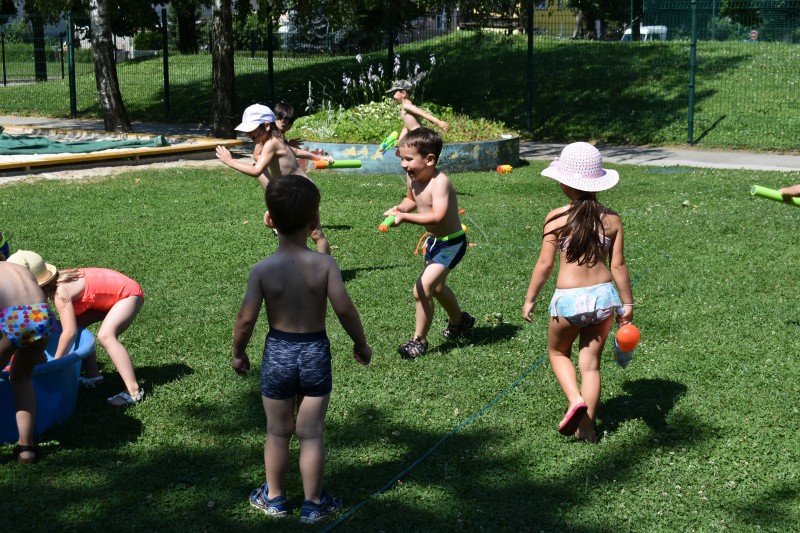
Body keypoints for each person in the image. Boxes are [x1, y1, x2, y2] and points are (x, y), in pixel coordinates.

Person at [232, 175, 372, 523]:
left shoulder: (262, 270)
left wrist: (238, 353)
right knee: (310, 433)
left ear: (269, 219)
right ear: (314, 221)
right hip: (314, 352)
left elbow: (246, 319)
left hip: (278, 351)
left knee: (277, 431)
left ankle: (275, 498)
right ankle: (314, 503)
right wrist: (360, 343)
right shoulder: (325, 265)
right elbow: (345, 309)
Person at [521, 142, 634, 443]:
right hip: (603, 299)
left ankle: (575, 400)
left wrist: (530, 299)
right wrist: (628, 304)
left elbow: (545, 265)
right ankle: (587, 428)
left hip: (569, 301)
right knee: (591, 366)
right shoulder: (612, 219)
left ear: (565, 184)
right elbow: (618, 265)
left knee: (558, 352)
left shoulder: (556, 218)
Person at [7, 251, 146, 407]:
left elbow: (69, 333)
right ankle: (93, 375)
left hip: (128, 295)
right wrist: (38, 351)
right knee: (79, 326)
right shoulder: (54, 285)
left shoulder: (60, 293)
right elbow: (44, 324)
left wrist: (56, 365)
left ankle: (133, 391)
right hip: (110, 295)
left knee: (106, 335)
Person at [382, 127, 474, 359]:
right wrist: (400, 208)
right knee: (437, 288)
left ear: (430, 159)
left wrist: (405, 218)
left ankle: (419, 341)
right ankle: (460, 321)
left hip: (452, 243)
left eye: (409, 159)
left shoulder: (440, 183)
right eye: (402, 158)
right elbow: (410, 199)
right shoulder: (413, 177)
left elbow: (437, 216)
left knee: (421, 289)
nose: (403, 164)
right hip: (434, 243)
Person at [216, 104, 331, 255]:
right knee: (288, 231)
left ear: (266, 126)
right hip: (291, 191)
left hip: (303, 190)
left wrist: (230, 161)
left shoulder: (272, 143)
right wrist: (317, 157)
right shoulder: (274, 139)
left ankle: (327, 266)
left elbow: (257, 170)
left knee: (315, 234)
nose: (250, 136)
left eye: (252, 132)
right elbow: (293, 151)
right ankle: (299, 263)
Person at [0, 258, 54, 463]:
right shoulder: (19, 268)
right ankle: (26, 449)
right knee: (21, 378)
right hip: (41, 316)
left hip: (13, 319)